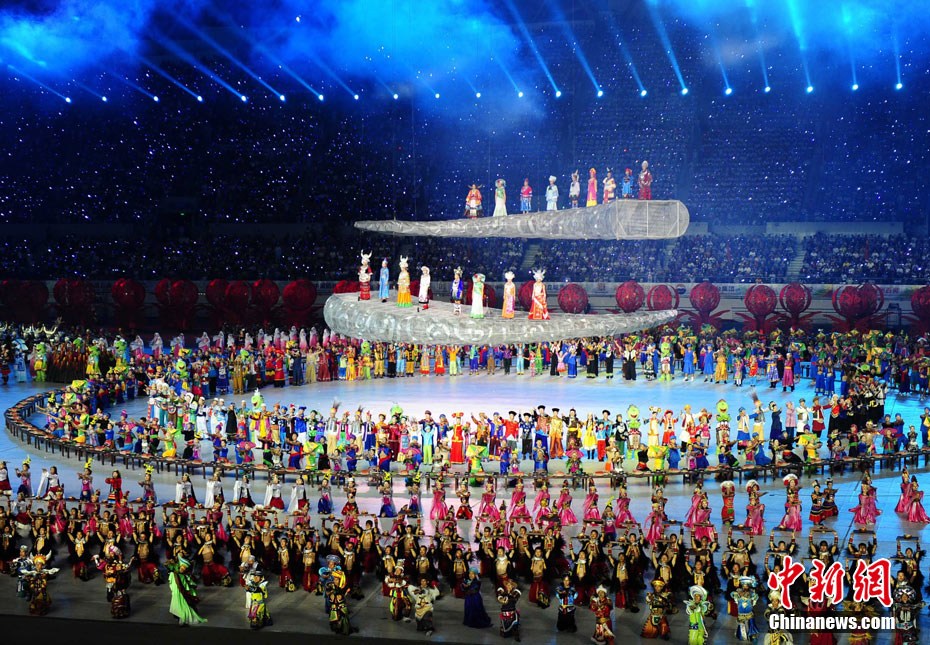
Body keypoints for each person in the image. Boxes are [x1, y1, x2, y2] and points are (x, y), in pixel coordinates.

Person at [167, 557, 206, 626]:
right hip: (176, 593)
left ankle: (183, 619)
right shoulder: (174, 573)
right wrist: (170, 562)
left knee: (184, 606)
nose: (183, 569)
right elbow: (168, 566)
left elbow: (188, 586)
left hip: (182, 594)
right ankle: (181, 619)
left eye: (185, 568)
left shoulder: (185, 576)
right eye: (182, 567)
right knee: (177, 606)